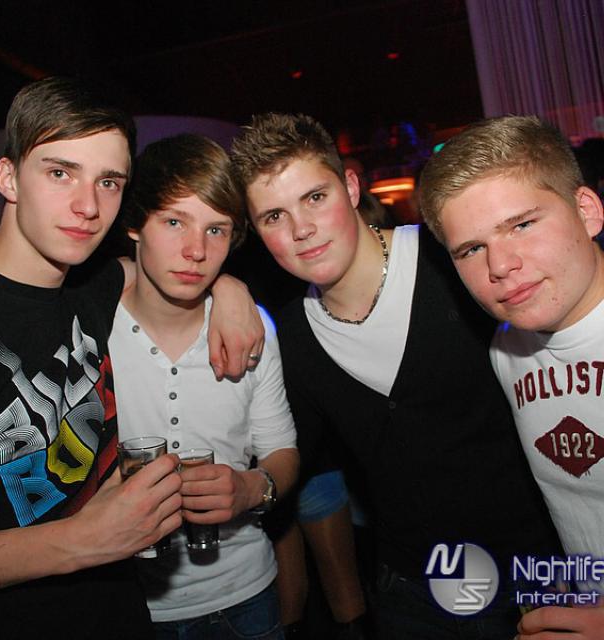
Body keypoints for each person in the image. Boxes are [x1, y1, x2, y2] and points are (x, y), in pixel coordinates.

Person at [230, 112, 563, 640]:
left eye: (315, 197)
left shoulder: (450, 260)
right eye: (274, 216)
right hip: (412, 591)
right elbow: (288, 455)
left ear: (351, 187)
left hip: (537, 576)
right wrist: (224, 290)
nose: (301, 229)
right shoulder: (289, 337)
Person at [0, 77, 263, 639]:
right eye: (60, 173)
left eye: (108, 182)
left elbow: (159, 271)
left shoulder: (91, 285)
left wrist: (229, 288)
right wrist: (82, 540)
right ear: (8, 178)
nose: (87, 206)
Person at [419, 115, 604, 638]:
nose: (499, 265)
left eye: (522, 225)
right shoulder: (508, 348)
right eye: (471, 249)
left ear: (587, 211)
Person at [109, 133, 299, 640]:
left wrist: (250, 489)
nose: (196, 251)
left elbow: (281, 451)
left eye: (216, 230)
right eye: (174, 222)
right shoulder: (90, 324)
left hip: (245, 598)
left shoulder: (253, 329)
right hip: (124, 604)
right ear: (135, 224)